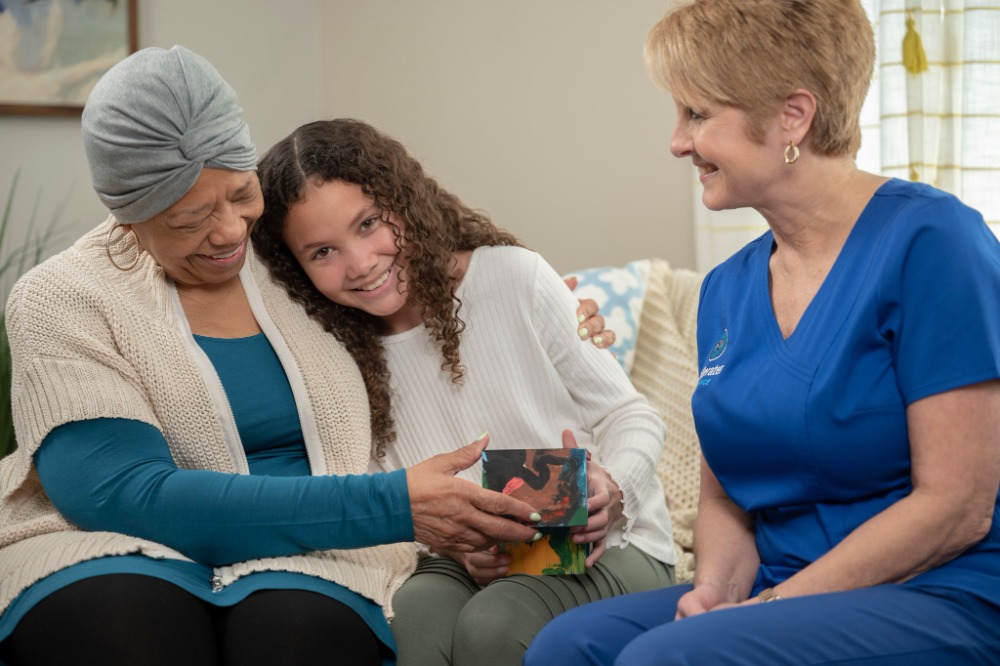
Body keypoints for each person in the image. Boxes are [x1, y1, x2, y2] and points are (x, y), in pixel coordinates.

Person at [0, 45, 609, 666]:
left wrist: (559, 318)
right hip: (112, 546)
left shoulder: (293, 252)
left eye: (241, 193)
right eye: (190, 220)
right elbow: (125, 496)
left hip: (320, 554)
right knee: (127, 626)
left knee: (298, 636)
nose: (232, 231)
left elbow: (420, 285)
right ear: (128, 219)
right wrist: (392, 505)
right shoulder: (61, 297)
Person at [525, 1, 1000, 664]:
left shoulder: (933, 242)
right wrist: (716, 590)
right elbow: (726, 495)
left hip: (936, 589)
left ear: (792, 117)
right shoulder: (727, 289)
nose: (676, 142)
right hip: (778, 585)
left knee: (662, 660)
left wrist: (773, 608)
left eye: (696, 114)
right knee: (566, 646)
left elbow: (958, 505)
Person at [249, 117, 678, 665]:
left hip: (608, 542)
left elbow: (631, 415)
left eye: (368, 224)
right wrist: (455, 546)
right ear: (297, 269)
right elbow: (386, 492)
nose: (360, 264)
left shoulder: (515, 279)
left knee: (495, 622)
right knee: (413, 618)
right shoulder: (333, 351)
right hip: (468, 557)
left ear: (404, 201)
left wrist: (615, 489)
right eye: (322, 253)